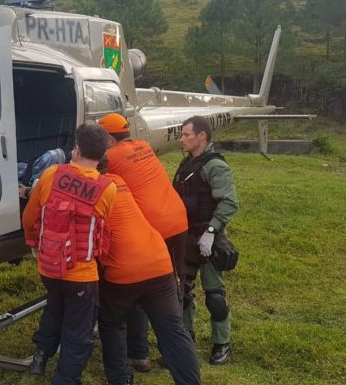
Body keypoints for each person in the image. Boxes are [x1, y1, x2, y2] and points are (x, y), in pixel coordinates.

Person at [22, 124, 116, 384]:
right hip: (81, 274)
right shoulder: (107, 188)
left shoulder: (51, 173)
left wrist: (34, 243)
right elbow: (102, 222)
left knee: (55, 306)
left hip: (49, 266)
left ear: (76, 149)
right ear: (103, 154)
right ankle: (65, 379)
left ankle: (41, 356)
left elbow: (30, 216)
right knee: (78, 331)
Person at [98, 113, 189, 372]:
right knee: (175, 286)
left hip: (155, 227)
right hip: (178, 219)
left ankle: (140, 353)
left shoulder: (111, 158)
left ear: (108, 139)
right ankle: (173, 349)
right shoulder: (144, 146)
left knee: (140, 292)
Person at [97, 170, 200, 385]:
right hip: (159, 261)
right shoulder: (119, 180)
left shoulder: (85, 185)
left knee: (112, 323)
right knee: (173, 330)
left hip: (124, 269)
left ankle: (120, 379)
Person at [173, 115, 239, 365]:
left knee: (215, 296)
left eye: (186, 135)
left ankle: (221, 343)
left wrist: (211, 232)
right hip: (186, 237)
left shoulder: (215, 166)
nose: (182, 139)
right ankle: (185, 341)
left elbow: (229, 202)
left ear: (202, 136)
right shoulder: (186, 164)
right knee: (182, 292)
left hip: (209, 238)